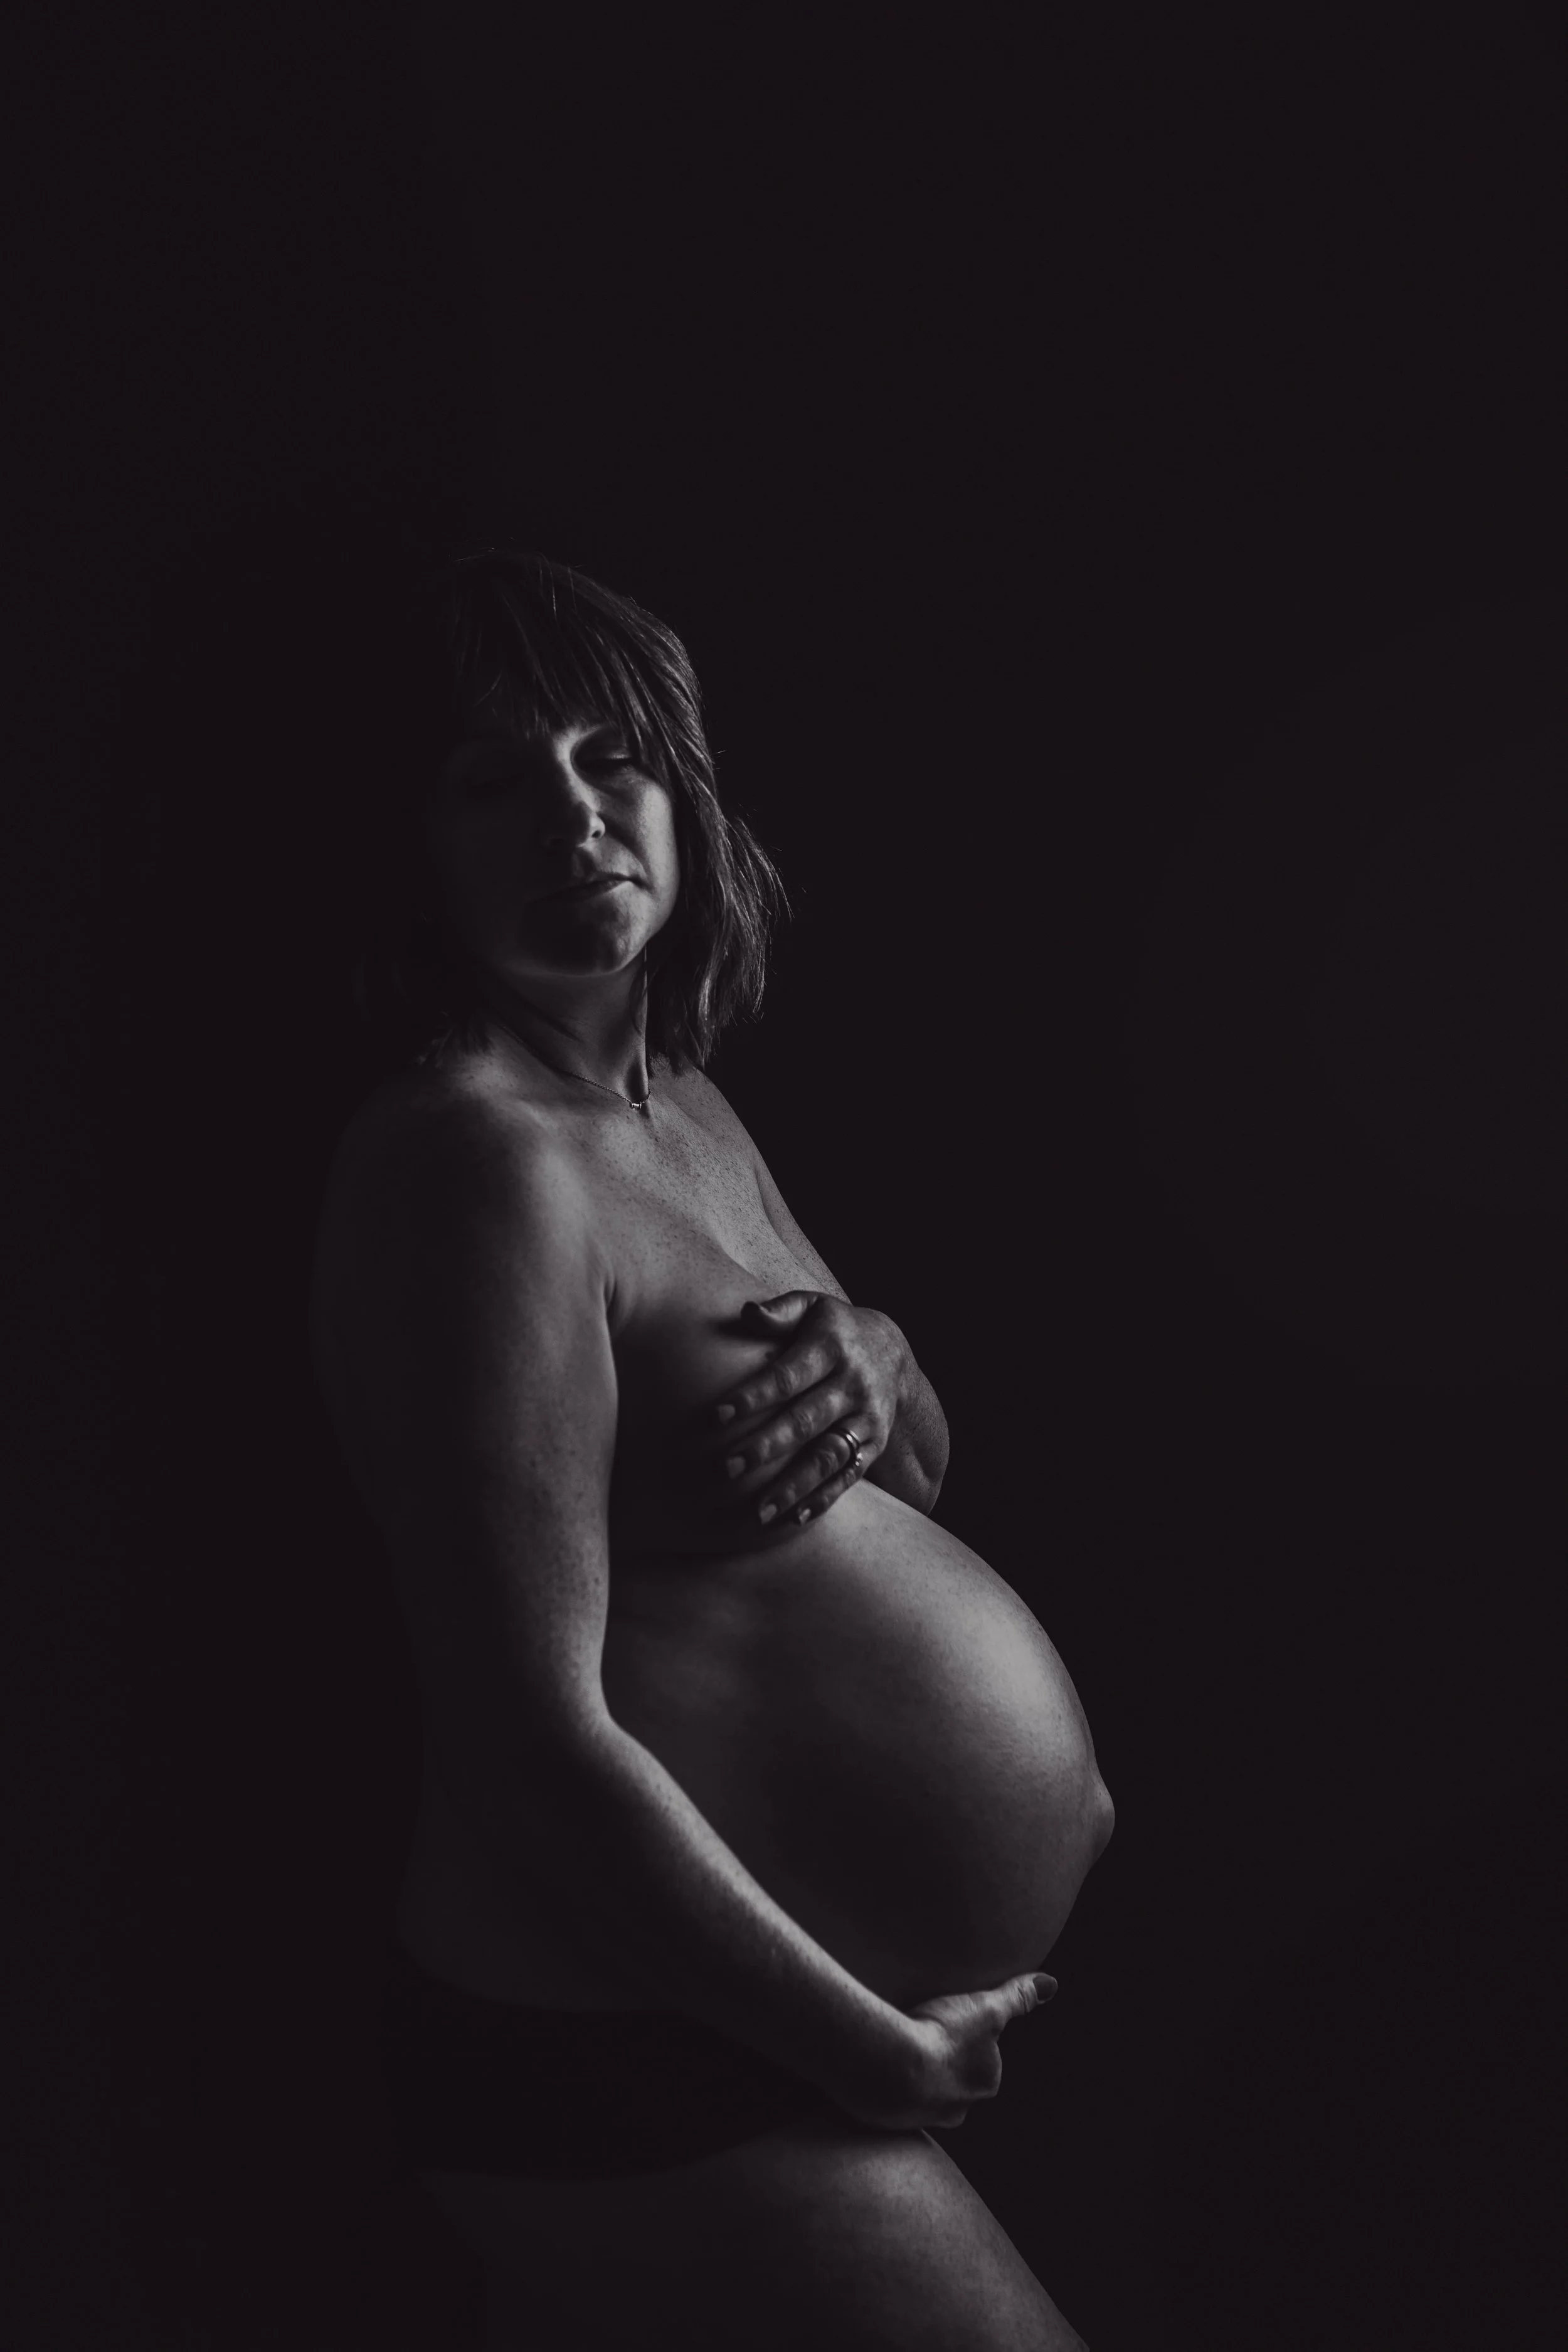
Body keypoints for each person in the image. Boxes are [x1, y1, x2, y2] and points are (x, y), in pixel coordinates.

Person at [309, 546, 1116, 2349]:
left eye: (615, 758)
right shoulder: (473, 1167)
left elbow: (904, 1470)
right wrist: (874, 2047)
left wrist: (880, 1347)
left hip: (748, 2016)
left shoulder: (678, 1110)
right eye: (493, 777)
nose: (577, 812)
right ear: (410, 849)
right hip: (628, 2043)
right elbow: (527, 1739)